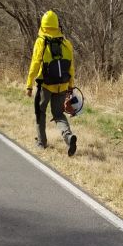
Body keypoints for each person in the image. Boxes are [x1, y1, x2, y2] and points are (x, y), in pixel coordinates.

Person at [26, 10, 77, 156]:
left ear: (43, 25)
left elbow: (35, 64)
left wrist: (29, 84)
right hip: (62, 84)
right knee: (59, 114)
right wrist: (71, 86)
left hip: (46, 85)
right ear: (57, 25)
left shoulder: (41, 42)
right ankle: (68, 136)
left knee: (40, 111)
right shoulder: (66, 43)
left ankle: (41, 142)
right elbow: (71, 67)